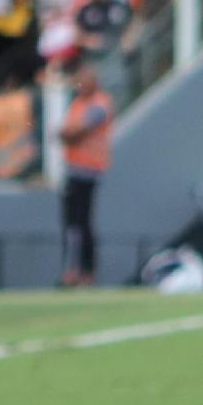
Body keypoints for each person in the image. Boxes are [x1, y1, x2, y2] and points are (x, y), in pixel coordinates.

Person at [58, 63, 113, 287]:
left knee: (80, 223)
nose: (80, 84)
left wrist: (68, 133)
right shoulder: (79, 103)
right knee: (73, 223)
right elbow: (66, 133)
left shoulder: (100, 103)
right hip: (75, 168)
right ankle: (74, 270)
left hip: (88, 170)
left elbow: (74, 132)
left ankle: (82, 272)